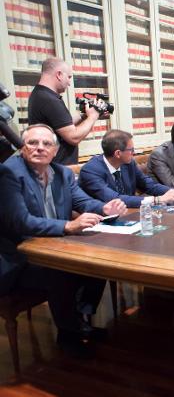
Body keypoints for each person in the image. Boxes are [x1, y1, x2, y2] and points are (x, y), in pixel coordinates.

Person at [2, 124, 127, 357]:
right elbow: (20, 222)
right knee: (59, 272)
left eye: (46, 144)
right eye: (32, 143)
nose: (39, 148)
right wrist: (68, 226)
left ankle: (81, 321)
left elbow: (82, 201)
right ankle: (68, 335)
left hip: (54, 245)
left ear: (55, 150)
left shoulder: (63, 173)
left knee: (99, 261)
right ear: (22, 148)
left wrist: (105, 207)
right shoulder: (9, 173)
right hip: (18, 258)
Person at [27, 58, 106, 165]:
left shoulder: (40, 94)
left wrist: (85, 116)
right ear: (59, 74)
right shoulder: (50, 100)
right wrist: (93, 116)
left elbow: (61, 124)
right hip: (57, 170)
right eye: (69, 77)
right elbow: (73, 137)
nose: (69, 83)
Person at [79, 129, 174, 208]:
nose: (134, 153)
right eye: (131, 150)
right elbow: (115, 199)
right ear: (118, 153)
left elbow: (149, 185)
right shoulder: (91, 171)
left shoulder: (128, 164)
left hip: (131, 213)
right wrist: (157, 200)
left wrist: (173, 191)